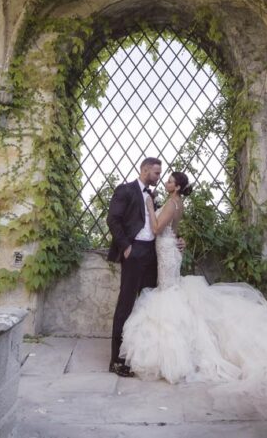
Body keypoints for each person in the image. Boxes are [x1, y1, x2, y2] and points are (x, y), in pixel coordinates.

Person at [119, 171, 267, 389]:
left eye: (170, 181)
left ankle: (176, 354)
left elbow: (157, 228)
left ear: (177, 187)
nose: (166, 183)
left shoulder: (172, 203)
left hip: (167, 252)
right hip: (169, 249)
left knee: (167, 292)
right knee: (170, 290)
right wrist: (179, 239)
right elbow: (174, 229)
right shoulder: (177, 202)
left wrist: (150, 206)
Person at [106, 156, 162, 377]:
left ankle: (138, 357)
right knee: (126, 304)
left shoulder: (152, 195)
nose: (158, 177)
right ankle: (116, 360)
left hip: (152, 253)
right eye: (156, 173)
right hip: (134, 251)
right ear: (145, 170)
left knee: (147, 304)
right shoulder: (125, 190)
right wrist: (126, 246)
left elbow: (158, 224)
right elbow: (113, 219)